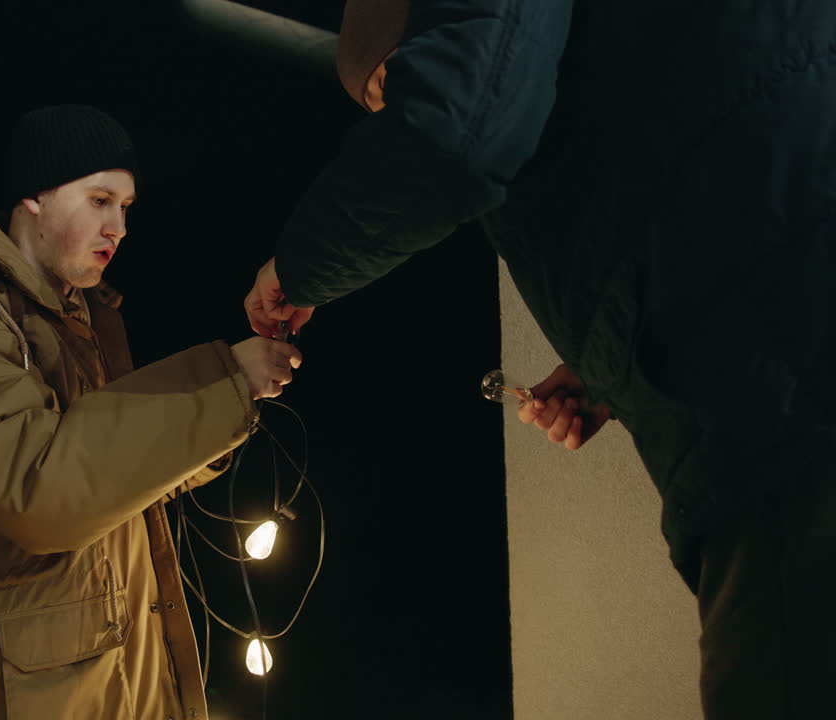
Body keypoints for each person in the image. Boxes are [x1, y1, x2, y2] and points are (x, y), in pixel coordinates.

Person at [245, 1, 835, 717]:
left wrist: (297, 267)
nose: (401, 111)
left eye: (394, 91)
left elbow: (457, 135)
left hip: (785, 412)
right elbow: (695, 151)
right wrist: (605, 369)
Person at [0, 104, 302, 720]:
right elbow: (40, 492)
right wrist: (222, 381)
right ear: (34, 197)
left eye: (125, 208)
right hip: (7, 693)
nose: (118, 227)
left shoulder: (82, 320)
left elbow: (107, 475)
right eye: (100, 200)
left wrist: (227, 411)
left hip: (99, 677)